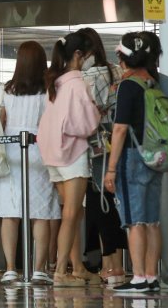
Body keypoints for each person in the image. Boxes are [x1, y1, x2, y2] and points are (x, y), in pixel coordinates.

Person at [0, 42, 61, 285]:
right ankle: (38, 269)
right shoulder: (49, 89)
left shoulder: (7, 89)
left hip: (11, 151)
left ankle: (10, 268)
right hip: (39, 151)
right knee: (41, 213)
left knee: (10, 212)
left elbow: (0, 120)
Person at [37, 32, 101, 287]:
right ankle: (62, 271)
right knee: (72, 213)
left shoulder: (56, 82)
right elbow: (86, 124)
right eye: (88, 55)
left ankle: (78, 268)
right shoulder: (77, 84)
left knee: (72, 213)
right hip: (72, 154)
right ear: (78, 55)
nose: (89, 60)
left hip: (53, 154)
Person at [105, 32, 164, 293]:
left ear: (123, 58)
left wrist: (111, 168)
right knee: (152, 221)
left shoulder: (128, 86)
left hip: (132, 158)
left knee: (135, 221)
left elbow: (119, 130)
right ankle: (151, 276)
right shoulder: (156, 83)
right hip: (155, 158)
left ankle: (139, 277)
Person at [77, 27, 127, 285]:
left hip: (97, 148)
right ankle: (116, 263)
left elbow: (89, 115)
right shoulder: (114, 70)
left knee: (100, 206)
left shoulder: (89, 75)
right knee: (114, 204)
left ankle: (111, 266)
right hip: (118, 144)